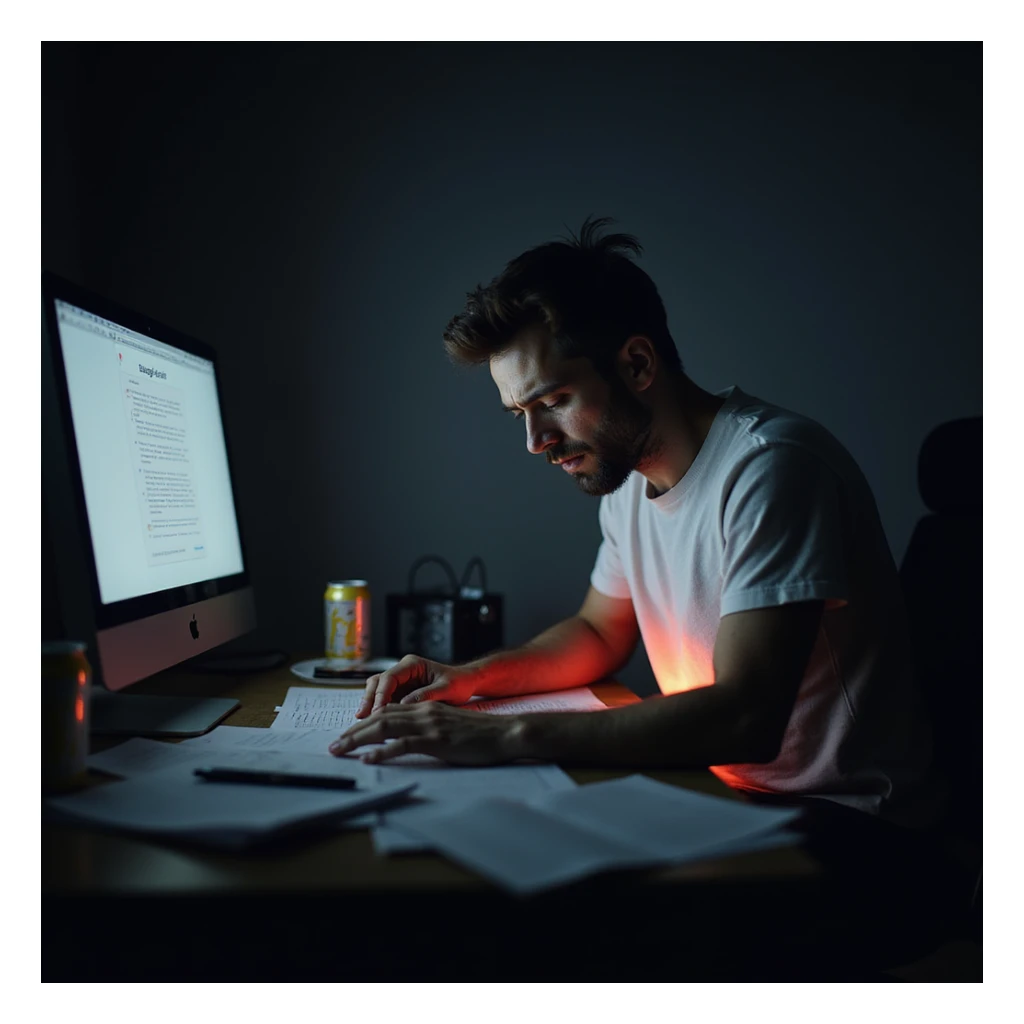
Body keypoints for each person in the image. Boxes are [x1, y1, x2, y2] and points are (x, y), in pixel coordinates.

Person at [328, 216, 942, 830]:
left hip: (842, 818)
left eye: (552, 403)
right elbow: (599, 632)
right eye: (519, 413)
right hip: (723, 794)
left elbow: (746, 718)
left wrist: (508, 734)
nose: (535, 442)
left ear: (638, 363)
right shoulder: (627, 479)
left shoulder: (771, 467)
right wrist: (468, 680)